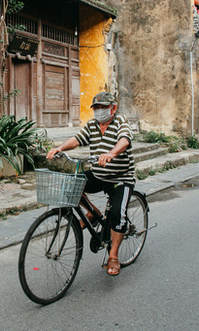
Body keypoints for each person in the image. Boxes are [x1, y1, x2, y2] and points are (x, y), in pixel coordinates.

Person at [46, 91, 135, 276]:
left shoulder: (120, 122)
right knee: (72, 186)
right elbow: (77, 139)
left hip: (120, 178)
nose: (100, 111)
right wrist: (59, 148)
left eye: (103, 107)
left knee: (118, 215)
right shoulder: (93, 125)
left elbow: (125, 140)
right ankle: (93, 212)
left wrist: (112, 153)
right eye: (97, 108)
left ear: (113, 108)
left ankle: (113, 256)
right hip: (98, 174)